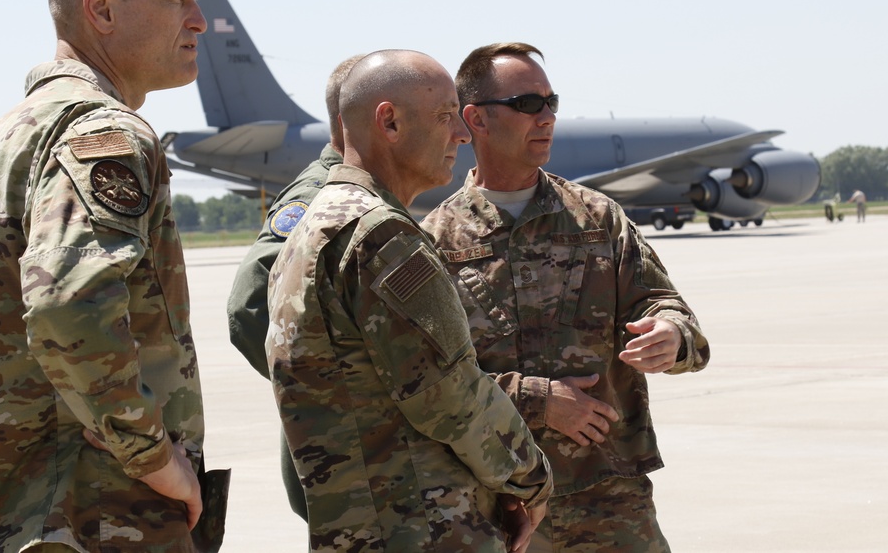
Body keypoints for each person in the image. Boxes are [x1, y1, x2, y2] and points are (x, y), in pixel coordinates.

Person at [0, 0, 216, 552]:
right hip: (87, 517)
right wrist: (153, 457)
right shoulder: (101, 134)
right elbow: (70, 304)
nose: (199, 21)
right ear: (100, 7)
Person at [422, 43, 710, 553]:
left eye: (552, 102)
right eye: (528, 104)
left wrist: (671, 334)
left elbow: (665, 306)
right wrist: (538, 402)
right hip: (496, 504)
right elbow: (428, 382)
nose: (548, 117)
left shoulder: (597, 218)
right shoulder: (436, 242)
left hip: (610, 497)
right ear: (476, 120)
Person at [266, 49, 554, 552]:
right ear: (390, 122)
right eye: (445, 117)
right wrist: (530, 478)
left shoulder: (316, 223)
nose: (462, 135)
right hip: (420, 530)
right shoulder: (380, 237)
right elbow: (450, 395)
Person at [227, 52, 363, 521]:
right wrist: (335, 397)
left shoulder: (362, 194)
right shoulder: (320, 197)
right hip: (343, 460)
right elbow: (249, 308)